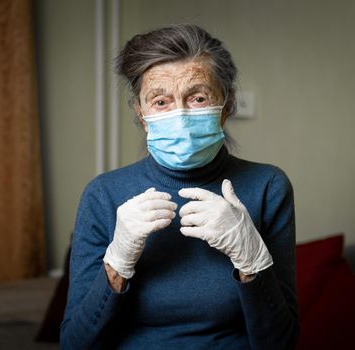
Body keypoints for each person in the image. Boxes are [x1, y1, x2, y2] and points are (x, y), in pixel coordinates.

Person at [60, 24, 298, 349]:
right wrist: (117, 264)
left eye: (198, 97)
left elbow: (280, 343)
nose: (181, 115)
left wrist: (251, 259)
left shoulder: (267, 187)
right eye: (160, 101)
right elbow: (75, 343)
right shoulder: (103, 194)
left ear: (226, 106)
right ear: (141, 114)